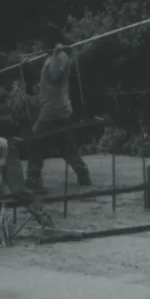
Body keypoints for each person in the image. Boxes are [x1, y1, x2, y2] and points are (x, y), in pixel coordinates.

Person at [26, 47, 91, 192]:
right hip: (58, 108)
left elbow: (56, 77)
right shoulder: (54, 57)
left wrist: (55, 56)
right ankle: (83, 173)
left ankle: (33, 178)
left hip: (53, 110)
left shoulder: (60, 57)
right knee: (64, 144)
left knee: (35, 141)